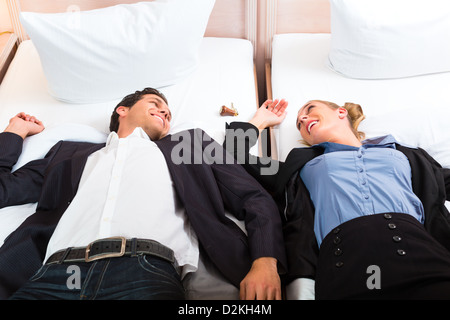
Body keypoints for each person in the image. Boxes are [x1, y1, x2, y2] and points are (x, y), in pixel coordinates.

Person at [0, 87, 287, 300]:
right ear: (121, 111)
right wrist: (15, 132)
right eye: (156, 104)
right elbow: (4, 191)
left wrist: (265, 261)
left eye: (169, 112)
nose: (165, 112)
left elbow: (253, 196)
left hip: (143, 273)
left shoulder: (190, 144)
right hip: (54, 276)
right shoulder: (69, 153)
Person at [224, 98, 450, 299]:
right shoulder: (300, 167)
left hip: (420, 250)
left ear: (341, 112)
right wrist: (261, 120)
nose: (303, 119)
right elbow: (233, 154)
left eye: (310, 110)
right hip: (347, 257)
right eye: (299, 124)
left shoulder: (404, 154)